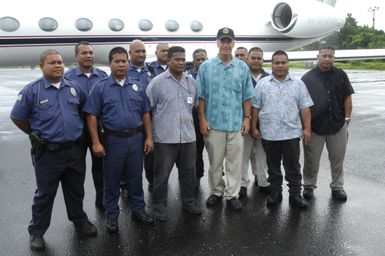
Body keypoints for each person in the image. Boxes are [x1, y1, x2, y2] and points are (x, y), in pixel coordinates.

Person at [10, 49, 97, 251]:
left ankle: (79, 220)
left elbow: (83, 111)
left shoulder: (73, 88)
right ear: (42, 66)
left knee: (76, 190)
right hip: (48, 153)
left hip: (74, 151)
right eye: (52, 63)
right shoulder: (32, 91)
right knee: (45, 194)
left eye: (59, 62)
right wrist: (34, 133)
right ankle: (37, 231)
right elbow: (17, 117)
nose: (57, 66)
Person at [83, 47, 154, 233]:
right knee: (112, 180)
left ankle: (138, 211)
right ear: (110, 64)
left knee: (135, 178)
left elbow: (145, 113)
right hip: (113, 141)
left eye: (124, 61)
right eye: (117, 61)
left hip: (136, 139)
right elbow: (91, 116)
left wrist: (149, 137)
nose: (121, 65)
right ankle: (112, 217)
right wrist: (96, 142)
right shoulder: (100, 87)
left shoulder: (138, 86)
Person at [197, 27, 254, 211]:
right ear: (217, 43)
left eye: (229, 41)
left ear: (233, 43)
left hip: (236, 124)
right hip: (214, 124)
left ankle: (232, 195)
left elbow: (247, 96)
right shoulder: (206, 67)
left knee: (234, 162)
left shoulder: (242, 68)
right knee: (215, 162)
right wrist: (202, 119)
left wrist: (247, 118)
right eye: (222, 40)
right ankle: (216, 192)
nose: (225, 44)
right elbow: (202, 97)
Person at [251, 50, 313, 209]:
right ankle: (275, 193)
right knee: (273, 167)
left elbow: (305, 108)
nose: (280, 66)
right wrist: (253, 128)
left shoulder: (298, 84)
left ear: (288, 64)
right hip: (269, 135)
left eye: (283, 62)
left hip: (291, 134)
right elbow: (255, 108)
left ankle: (295, 195)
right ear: (271, 64)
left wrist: (307, 129)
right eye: (276, 62)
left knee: (293, 167)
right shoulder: (262, 84)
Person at [146, 46, 202, 221]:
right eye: (177, 59)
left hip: (187, 137)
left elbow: (194, 106)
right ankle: (159, 206)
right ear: (168, 60)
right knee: (161, 175)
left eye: (183, 59)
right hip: (165, 138)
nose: (180, 62)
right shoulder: (157, 82)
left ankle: (189, 201)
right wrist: (150, 136)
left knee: (188, 172)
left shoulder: (190, 82)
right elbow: (147, 110)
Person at [301, 45, 354, 202]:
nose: (327, 59)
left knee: (338, 159)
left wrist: (347, 120)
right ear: (318, 56)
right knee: (311, 159)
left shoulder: (341, 75)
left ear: (334, 58)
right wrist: (306, 128)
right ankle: (309, 186)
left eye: (330, 56)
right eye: (324, 55)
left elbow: (347, 98)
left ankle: (337, 186)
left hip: (337, 125)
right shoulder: (307, 78)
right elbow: (303, 105)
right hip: (315, 127)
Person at [64, 41, 108, 210]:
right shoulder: (67, 78)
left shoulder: (103, 76)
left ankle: (102, 200)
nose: (88, 55)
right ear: (76, 56)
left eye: (90, 52)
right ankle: (77, 210)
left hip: (99, 130)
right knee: (76, 172)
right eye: (84, 53)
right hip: (78, 132)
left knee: (101, 169)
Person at [120, 39, 154, 197]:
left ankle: (152, 182)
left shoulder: (152, 70)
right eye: (137, 51)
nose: (141, 54)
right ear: (130, 54)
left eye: (143, 51)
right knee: (130, 157)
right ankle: (126, 186)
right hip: (131, 120)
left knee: (151, 155)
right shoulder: (123, 71)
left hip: (151, 119)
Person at [239, 47, 270, 197]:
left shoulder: (269, 78)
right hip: (244, 124)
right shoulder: (241, 77)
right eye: (253, 58)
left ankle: (263, 182)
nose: (256, 61)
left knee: (262, 156)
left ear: (263, 60)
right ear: (248, 59)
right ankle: (243, 184)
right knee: (242, 156)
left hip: (264, 125)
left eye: (259, 58)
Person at [187, 48, 208, 188]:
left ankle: (219, 176)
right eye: (197, 60)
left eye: (203, 59)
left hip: (211, 116)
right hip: (193, 117)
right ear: (193, 62)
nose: (200, 62)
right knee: (196, 149)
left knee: (215, 150)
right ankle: (196, 176)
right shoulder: (187, 77)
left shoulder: (213, 74)